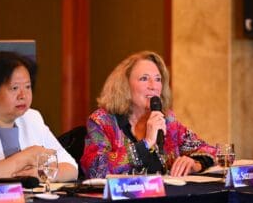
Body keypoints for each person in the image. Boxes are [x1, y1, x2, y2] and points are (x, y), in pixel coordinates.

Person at [81, 51, 217, 178]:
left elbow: (210, 150)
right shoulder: (102, 121)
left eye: (158, 79)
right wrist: (146, 144)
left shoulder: (167, 120)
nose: (153, 86)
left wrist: (195, 164)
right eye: (144, 78)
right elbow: (95, 168)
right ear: (125, 85)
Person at [0, 51, 78, 185]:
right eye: (14, 88)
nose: (23, 95)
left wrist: (41, 174)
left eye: (27, 87)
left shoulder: (32, 118)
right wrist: (27, 157)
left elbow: (71, 167)